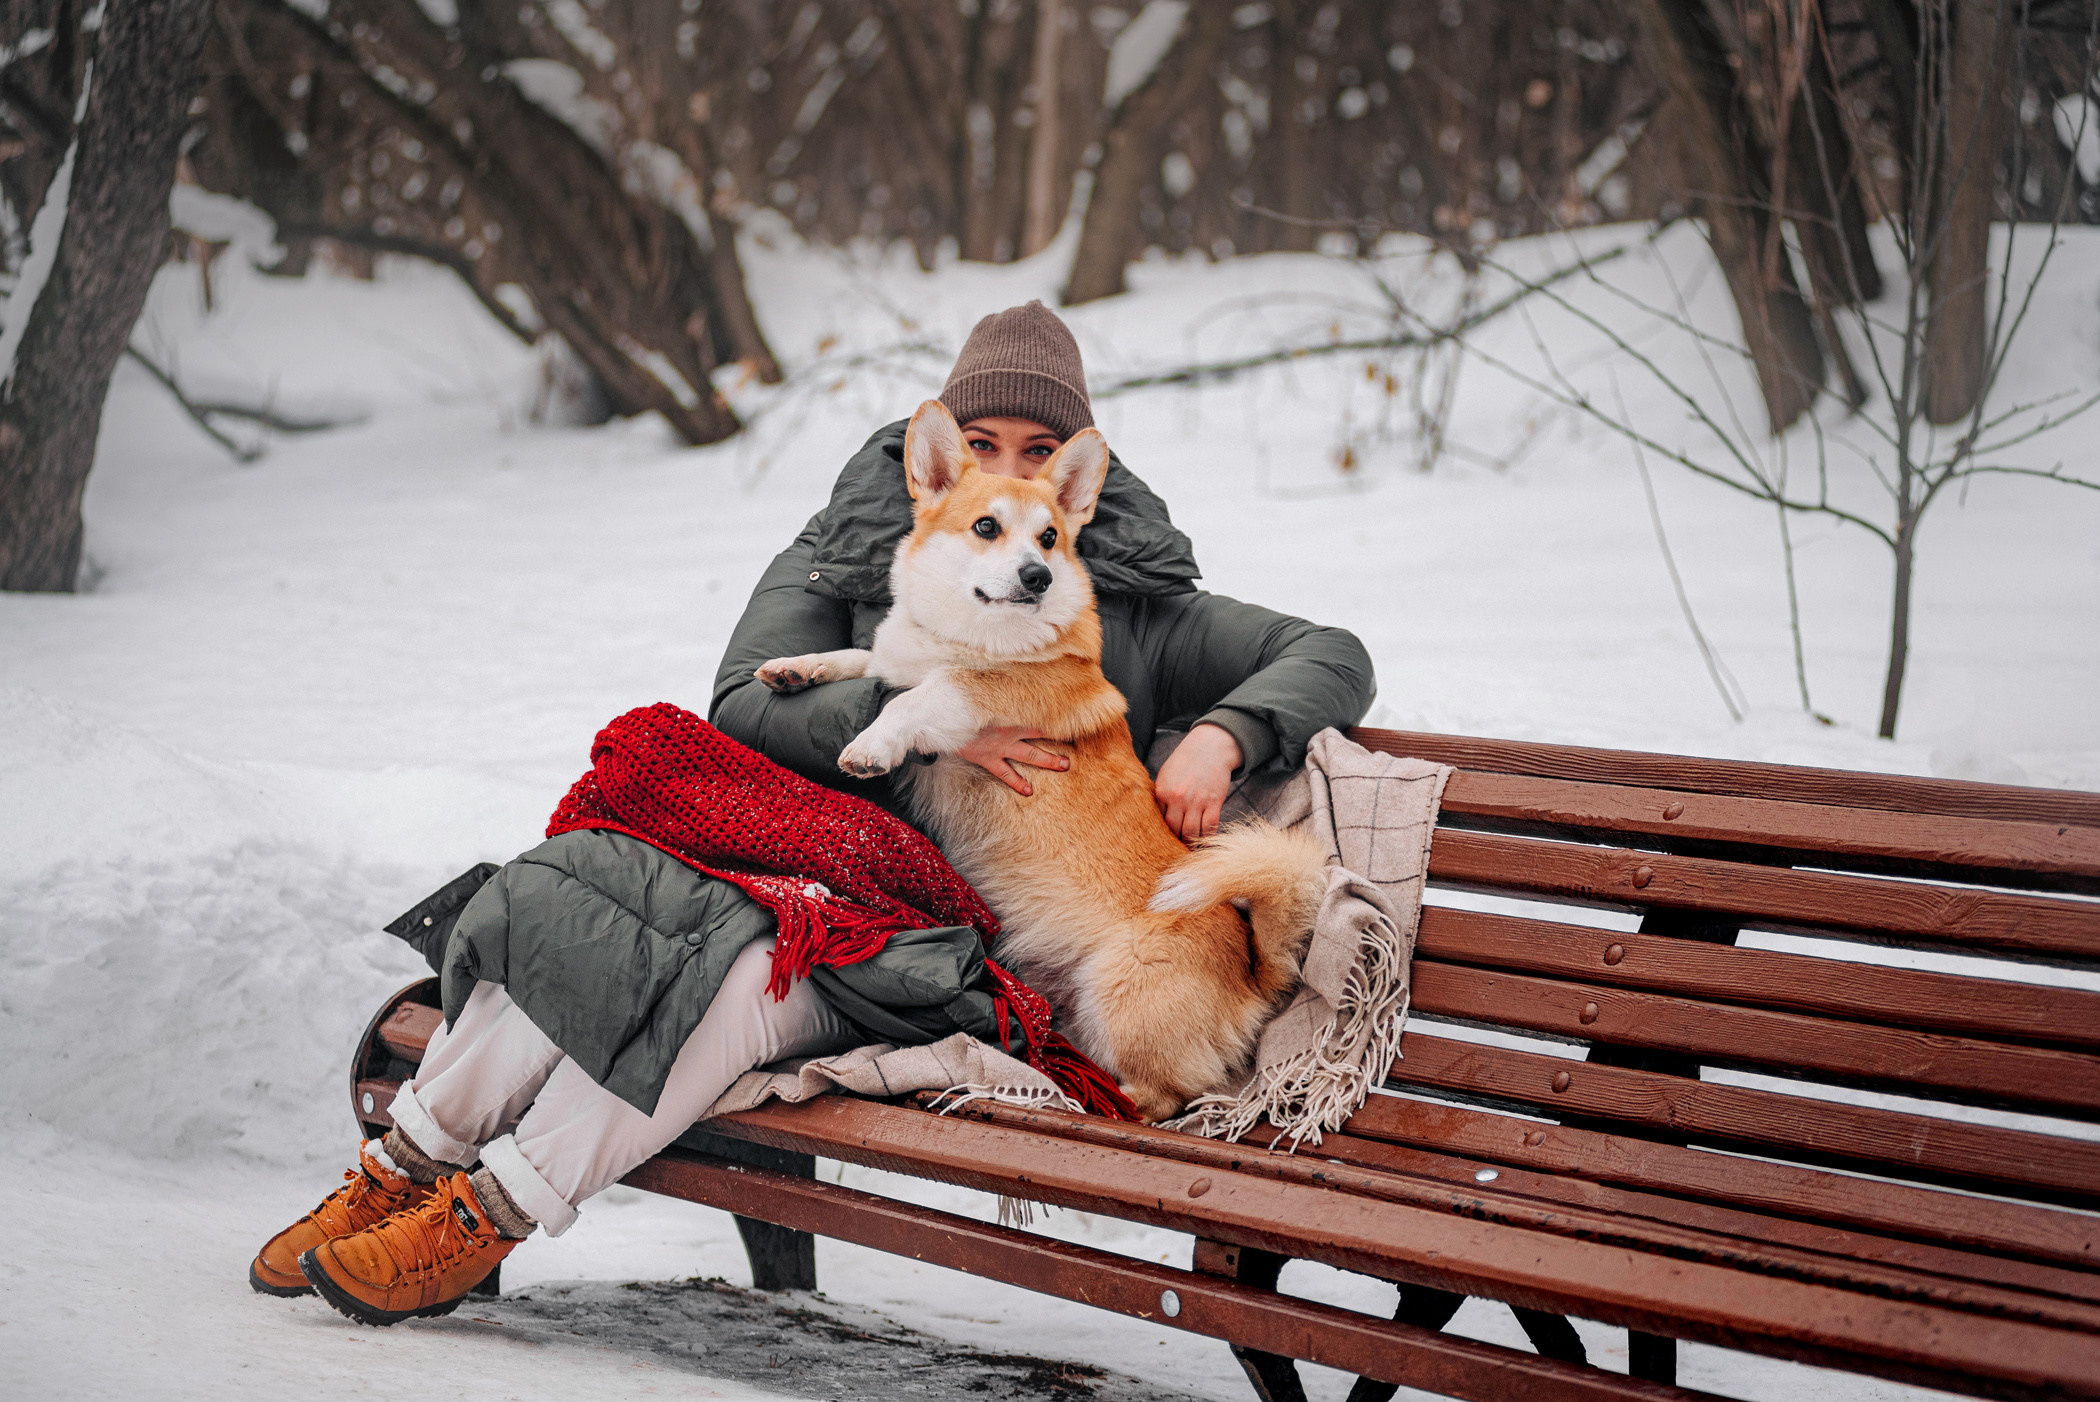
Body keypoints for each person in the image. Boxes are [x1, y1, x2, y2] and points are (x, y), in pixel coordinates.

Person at [251, 300, 1375, 1326]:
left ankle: (483, 1214)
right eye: (982, 445)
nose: (1009, 479)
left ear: (1078, 480)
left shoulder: (1123, 593)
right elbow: (739, 704)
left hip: (920, 943)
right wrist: (927, 713)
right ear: (937, 455)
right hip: (793, 866)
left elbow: (1332, 653)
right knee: (600, 932)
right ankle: (402, 1167)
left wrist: (1228, 735)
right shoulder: (848, 548)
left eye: (1042, 456)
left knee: (734, 984)